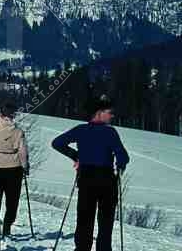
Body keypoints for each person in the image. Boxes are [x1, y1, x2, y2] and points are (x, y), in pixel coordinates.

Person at [52, 95, 130, 251]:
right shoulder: (110, 132)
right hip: (106, 180)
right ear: (99, 113)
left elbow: (57, 143)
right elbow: (123, 157)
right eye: (110, 112)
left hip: (86, 178)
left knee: (84, 219)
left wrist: (76, 155)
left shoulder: (81, 130)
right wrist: (120, 164)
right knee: (105, 221)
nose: (112, 115)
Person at [0, 101, 29, 238]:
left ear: (0, 113)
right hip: (13, 168)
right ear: (13, 115)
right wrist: (25, 166)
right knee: (12, 200)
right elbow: (22, 152)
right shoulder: (18, 131)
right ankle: (7, 226)